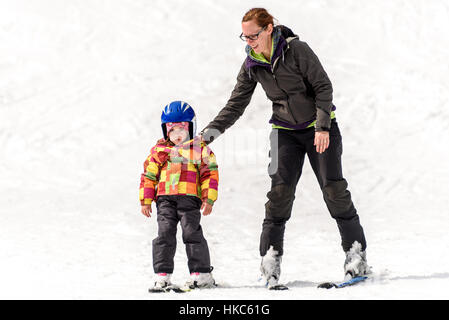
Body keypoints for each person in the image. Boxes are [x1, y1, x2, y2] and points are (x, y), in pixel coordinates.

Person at [200, 8, 370, 288]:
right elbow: (236, 104)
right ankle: (270, 259)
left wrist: (323, 126)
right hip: (284, 133)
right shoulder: (252, 63)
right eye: (245, 36)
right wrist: (207, 136)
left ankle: (356, 255)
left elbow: (323, 87)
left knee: (333, 189)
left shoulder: (297, 50)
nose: (249, 41)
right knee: (279, 194)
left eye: (254, 35)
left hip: (320, 130)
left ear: (268, 29)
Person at [140, 101, 219, 291]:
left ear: (191, 128)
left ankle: (201, 274)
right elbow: (149, 176)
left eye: (182, 130)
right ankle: (162, 276)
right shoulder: (159, 152)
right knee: (164, 234)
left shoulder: (199, 150)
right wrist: (146, 200)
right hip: (165, 199)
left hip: (189, 198)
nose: (177, 136)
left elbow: (210, 173)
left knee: (191, 232)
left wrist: (209, 199)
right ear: (165, 131)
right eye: (172, 130)